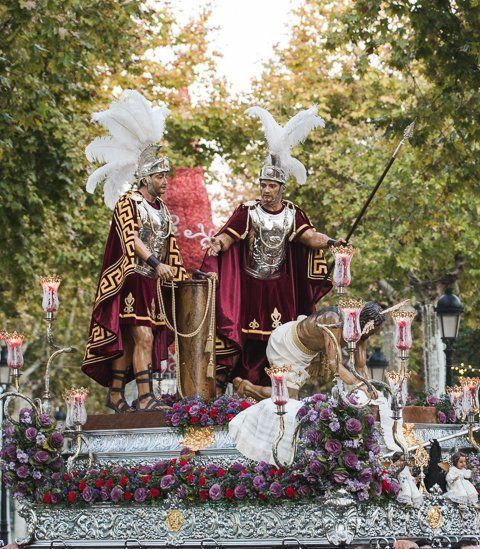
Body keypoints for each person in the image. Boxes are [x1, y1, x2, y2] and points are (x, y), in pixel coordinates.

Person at [203, 105, 343, 394]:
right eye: (263, 185)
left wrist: (331, 243)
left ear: (282, 187)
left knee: (278, 341)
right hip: (251, 287)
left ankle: (273, 390)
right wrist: (217, 244)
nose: (265, 191)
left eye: (271, 186)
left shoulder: (294, 214)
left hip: (281, 289)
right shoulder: (248, 210)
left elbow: (310, 237)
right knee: (250, 341)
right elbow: (228, 235)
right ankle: (242, 386)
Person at [81, 90, 187, 412]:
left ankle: (115, 396)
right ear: (145, 177)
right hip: (129, 280)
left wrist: (187, 276)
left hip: (150, 283)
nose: (165, 181)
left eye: (165, 175)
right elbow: (132, 240)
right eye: (159, 176)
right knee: (142, 336)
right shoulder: (129, 202)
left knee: (132, 340)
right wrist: (156, 264)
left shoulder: (164, 211)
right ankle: (144, 397)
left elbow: (172, 249)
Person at [227, 302, 391, 464]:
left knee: (291, 403)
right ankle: (246, 388)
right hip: (286, 344)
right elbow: (335, 364)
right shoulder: (333, 319)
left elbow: (361, 366)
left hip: (307, 354)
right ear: (366, 323)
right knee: (288, 399)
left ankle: (248, 389)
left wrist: (370, 389)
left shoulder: (359, 332)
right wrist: (359, 385)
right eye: (373, 330)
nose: (373, 334)